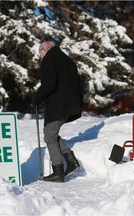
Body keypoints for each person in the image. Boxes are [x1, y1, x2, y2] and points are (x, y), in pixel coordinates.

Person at [33, 41, 83, 182]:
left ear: (44, 51)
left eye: (41, 54)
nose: (42, 57)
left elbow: (49, 84)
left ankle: (58, 171)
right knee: (51, 133)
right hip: (69, 104)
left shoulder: (50, 59)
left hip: (57, 105)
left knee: (49, 136)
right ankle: (70, 160)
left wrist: (37, 97)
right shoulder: (67, 60)